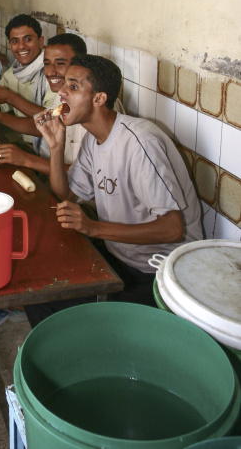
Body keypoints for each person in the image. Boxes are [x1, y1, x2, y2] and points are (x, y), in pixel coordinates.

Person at [25, 55, 203, 328]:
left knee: (74, 317)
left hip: (160, 275)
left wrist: (93, 228)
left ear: (99, 99)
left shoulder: (139, 142)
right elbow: (67, 195)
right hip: (120, 258)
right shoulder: (93, 139)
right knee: (39, 288)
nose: (61, 91)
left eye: (73, 87)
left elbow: (172, 229)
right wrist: (56, 148)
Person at [0, 34, 88, 174]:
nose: (50, 72)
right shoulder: (63, 96)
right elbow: (43, 126)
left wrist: (27, 159)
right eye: (47, 63)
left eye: (60, 63)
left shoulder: (92, 105)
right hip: (57, 181)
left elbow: (87, 177)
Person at [0, 14, 51, 144]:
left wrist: (9, 97)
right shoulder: (13, 72)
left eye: (28, 39)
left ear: (40, 41)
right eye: (15, 41)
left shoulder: (53, 73)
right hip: (27, 142)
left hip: (52, 145)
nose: (21, 46)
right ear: (10, 45)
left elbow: (51, 119)